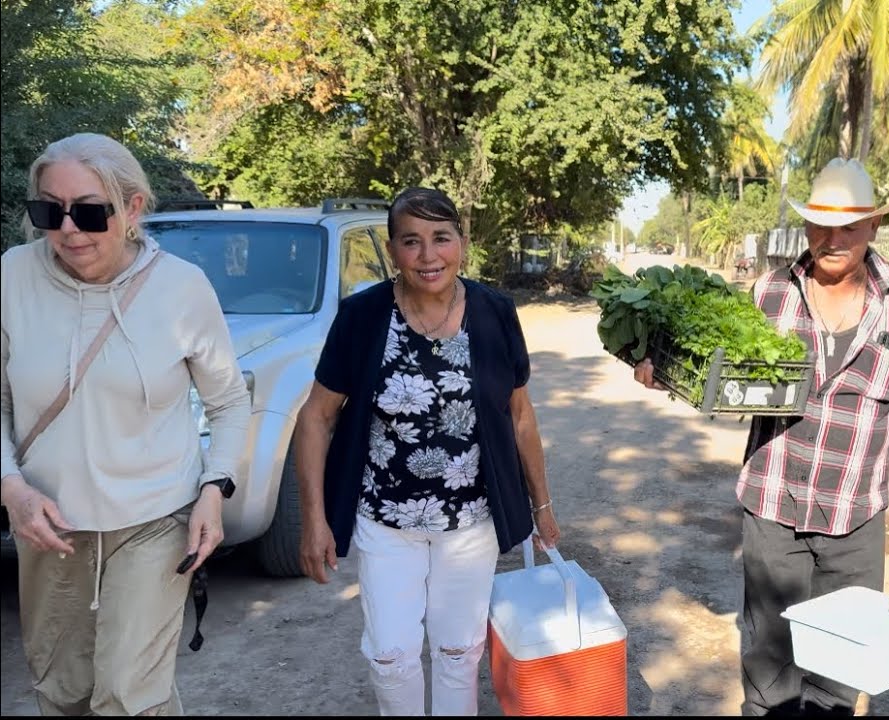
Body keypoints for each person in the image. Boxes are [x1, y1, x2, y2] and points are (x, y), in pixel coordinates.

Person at [635, 157, 889, 716]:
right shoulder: (769, 293)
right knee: (768, 670)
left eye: (848, 226)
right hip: (773, 508)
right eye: (820, 225)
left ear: (874, 226)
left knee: (839, 675)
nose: (832, 239)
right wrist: (665, 369)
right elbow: (721, 377)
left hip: (855, 518)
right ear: (806, 226)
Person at [0, 132, 251, 715]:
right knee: (62, 692)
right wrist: (11, 488)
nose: (68, 229)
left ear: (133, 207)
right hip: (50, 524)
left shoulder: (181, 287)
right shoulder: (11, 276)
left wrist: (214, 491)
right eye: (48, 211)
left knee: (126, 694)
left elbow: (229, 403)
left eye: (89, 211)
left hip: (154, 519)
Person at [294, 186, 560, 716]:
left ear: (461, 242)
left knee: (459, 653)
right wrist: (313, 520)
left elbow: (520, 415)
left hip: (471, 520)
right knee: (391, 656)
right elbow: (317, 417)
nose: (428, 255)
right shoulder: (363, 317)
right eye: (410, 241)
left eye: (441, 238)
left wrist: (542, 506)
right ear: (392, 249)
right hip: (385, 519)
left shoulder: (495, 313)